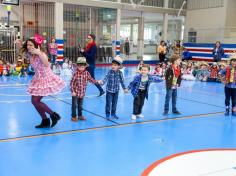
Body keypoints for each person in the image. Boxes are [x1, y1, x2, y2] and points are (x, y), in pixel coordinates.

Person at [22, 34, 65, 128]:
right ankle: (45, 120)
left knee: (35, 101)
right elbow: (23, 54)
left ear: (36, 46)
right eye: (28, 45)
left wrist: (39, 53)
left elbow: (46, 64)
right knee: (34, 101)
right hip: (37, 79)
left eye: (31, 45)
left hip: (46, 78)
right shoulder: (31, 55)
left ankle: (54, 115)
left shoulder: (41, 54)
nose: (28, 47)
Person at [70, 57, 98, 121]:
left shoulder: (86, 73)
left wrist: (96, 82)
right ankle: (73, 116)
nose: (81, 68)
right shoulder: (75, 73)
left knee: (80, 105)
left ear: (85, 66)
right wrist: (73, 91)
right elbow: (71, 83)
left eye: (82, 67)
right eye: (79, 67)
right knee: (74, 105)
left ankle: (80, 115)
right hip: (75, 92)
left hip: (82, 92)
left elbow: (91, 79)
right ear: (77, 66)